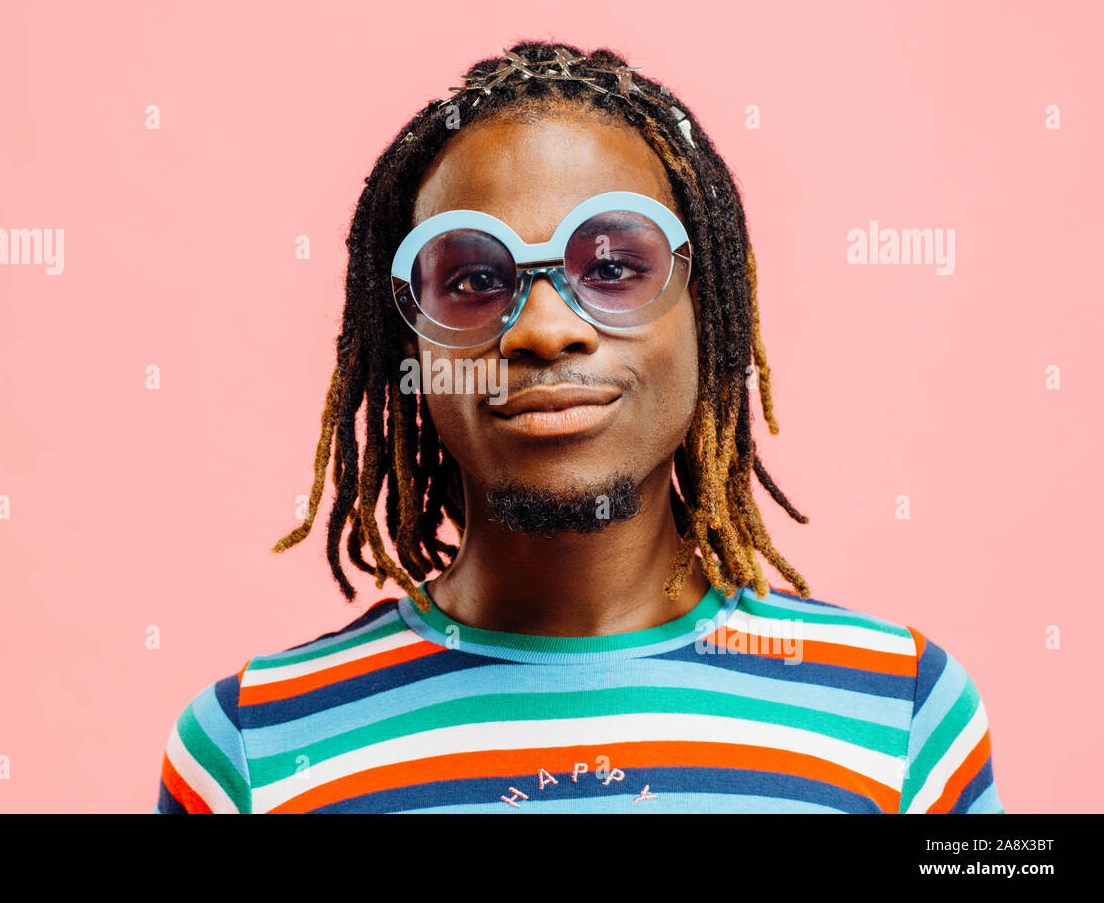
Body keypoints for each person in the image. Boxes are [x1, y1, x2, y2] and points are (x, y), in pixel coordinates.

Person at [152, 41, 1003, 813]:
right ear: (407, 341)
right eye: (475, 278)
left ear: (710, 319)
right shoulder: (249, 749)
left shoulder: (902, 719)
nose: (543, 330)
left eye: (613, 266)